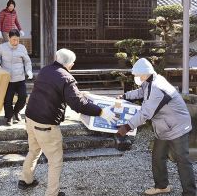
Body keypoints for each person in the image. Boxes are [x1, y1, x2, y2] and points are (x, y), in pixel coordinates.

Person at [18, 49, 118, 196]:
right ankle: (52, 193)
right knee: (55, 160)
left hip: (31, 118)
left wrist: (81, 94)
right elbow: (79, 105)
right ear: (70, 64)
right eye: (72, 63)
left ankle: (25, 180)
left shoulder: (45, 70)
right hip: (46, 125)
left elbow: (58, 91)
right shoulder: (66, 78)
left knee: (34, 150)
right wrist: (101, 112)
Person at [117, 58, 196, 196]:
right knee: (158, 156)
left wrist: (126, 127)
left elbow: (145, 113)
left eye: (137, 75)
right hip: (164, 127)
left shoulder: (157, 87)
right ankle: (162, 186)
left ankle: (190, 192)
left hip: (177, 127)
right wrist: (125, 96)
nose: (136, 77)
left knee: (182, 160)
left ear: (144, 73)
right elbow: (141, 93)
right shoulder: (149, 81)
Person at [0, 29, 32, 125]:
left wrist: (29, 70)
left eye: (18, 40)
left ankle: (16, 111)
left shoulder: (22, 48)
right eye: (14, 39)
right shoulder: (2, 47)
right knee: (8, 99)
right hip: (8, 79)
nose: (16, 42)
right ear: (9, 38)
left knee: (23, 97)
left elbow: (27, 61)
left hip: (20, 78)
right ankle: (9, 117)